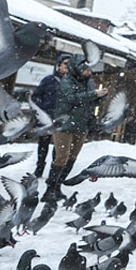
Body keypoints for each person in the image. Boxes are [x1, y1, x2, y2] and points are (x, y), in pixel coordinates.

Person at [44, 54, 106, 201]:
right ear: (77, 68)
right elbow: (72, 98)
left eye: (90, 69)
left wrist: (101, 97)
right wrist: (93, 94)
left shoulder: (89, 82)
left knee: (72, 157)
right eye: (86, 69)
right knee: (61, 157)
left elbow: (91, 103)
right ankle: (50, 189)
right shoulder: (66, 81)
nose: (89, 71)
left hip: (81, 125)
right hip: (64, 125)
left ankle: (58, 187)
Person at [30, 54, 68, 177]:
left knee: (58, 147)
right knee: (43, 146)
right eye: (65, 64)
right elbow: (36, 96)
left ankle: (54, 170)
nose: (67, 67)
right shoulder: (49, 80)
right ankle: (39, 168)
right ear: (59, 65)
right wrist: (42, 109)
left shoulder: (71, 83)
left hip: (62, 120)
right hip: (46, 119)